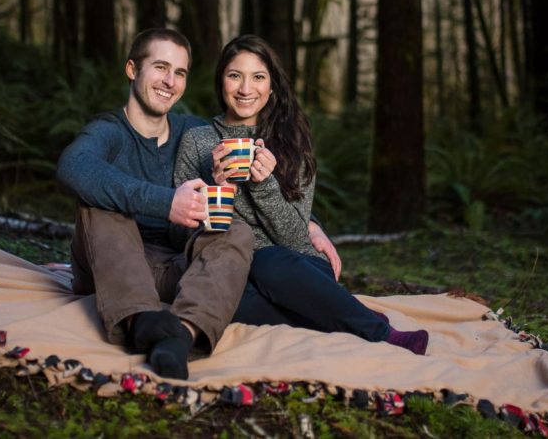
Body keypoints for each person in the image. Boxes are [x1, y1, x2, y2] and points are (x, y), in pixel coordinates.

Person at [173, 35, 429, 355]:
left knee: (268, 263)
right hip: (232, 270)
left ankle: (382, 333)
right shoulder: (197, 141)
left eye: (258, 77)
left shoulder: (293, 143)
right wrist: (220, 189)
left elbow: (295, 240)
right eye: (234, 75)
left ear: (272, 85)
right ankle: (340, 315)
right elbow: (186, 231)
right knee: (228, 297)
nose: (245, 88)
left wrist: (265, 184)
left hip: (294, 268)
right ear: (220, 80)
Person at [56, 28, 255, 380]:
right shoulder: (109, 130)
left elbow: (251, 164)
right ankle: (142, 320)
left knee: (234, 228)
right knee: (99, 204)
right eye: (160, 67)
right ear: (132, 69)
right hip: (111, 267)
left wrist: (310, 223)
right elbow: (73, 166)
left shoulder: (191, 133)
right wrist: (166, 203)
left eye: (179, 73)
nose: (170, 81)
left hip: (175, 269)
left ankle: (180, 336)